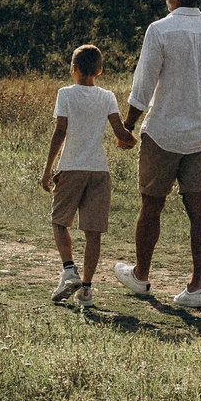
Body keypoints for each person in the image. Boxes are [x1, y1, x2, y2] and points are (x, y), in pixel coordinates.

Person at [115, 0, 201, 311]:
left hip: (163, 132)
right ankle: (196, 286)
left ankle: (141, 274)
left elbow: (143, 85)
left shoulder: (160, 30)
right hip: (200, 136)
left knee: (151, 204)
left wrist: (128, 127)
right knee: (198, 208)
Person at [38, 42, 135, 308]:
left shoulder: (65, 94)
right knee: (93, 232)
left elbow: (60, 132)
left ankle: (69, 270)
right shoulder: (107, 97)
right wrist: (131, 138)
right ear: (100, 70)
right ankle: (87, 291)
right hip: (99, 170)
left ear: (74, 68)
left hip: (71, 167)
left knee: (59, 222)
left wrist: (48, 169)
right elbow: (120, 134)